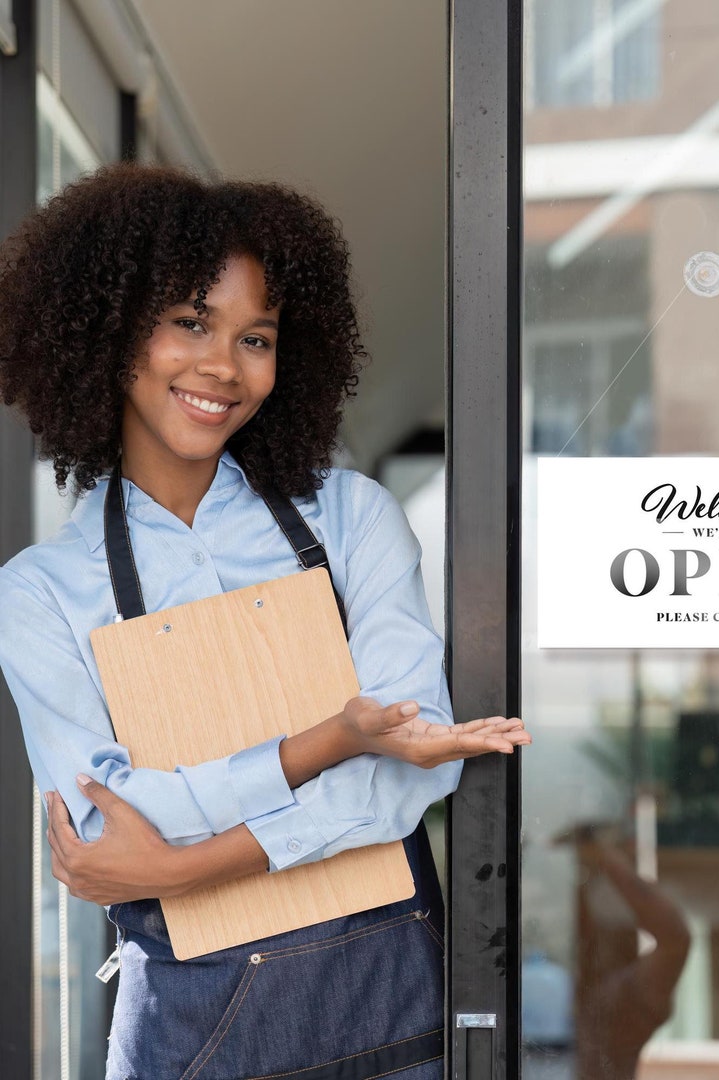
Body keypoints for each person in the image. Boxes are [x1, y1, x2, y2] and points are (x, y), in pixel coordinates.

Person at [0, 162, 530, 1080]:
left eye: (257, 336)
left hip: (392, 1014)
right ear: (111, 327)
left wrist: (180, 870)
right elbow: (102, 829)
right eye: (191, 323)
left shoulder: (352, 520)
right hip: (188, 1040)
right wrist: (323, 746)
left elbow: (414, 770)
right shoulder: (40, 591)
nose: (223, 366)